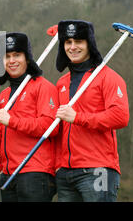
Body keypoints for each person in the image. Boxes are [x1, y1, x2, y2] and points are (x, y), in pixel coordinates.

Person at [54, 20, 129, 202]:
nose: (73, 47)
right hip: (66, 174)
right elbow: (59, 129)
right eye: (68, 42)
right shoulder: (62, 83)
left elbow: (120, 117)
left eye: (79, 41)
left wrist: (78, 117)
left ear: (89, 44)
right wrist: (58, 165)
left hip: (98, 169)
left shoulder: (109, 77)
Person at [0, 32, 58, 202]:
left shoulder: (44, 87)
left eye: (17, 55)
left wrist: (12, 121)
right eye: (7, 56)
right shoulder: (4, 94)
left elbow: (50, 126)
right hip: (7, 174)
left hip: (35, 173)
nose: (12, 60)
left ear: (27, 58)